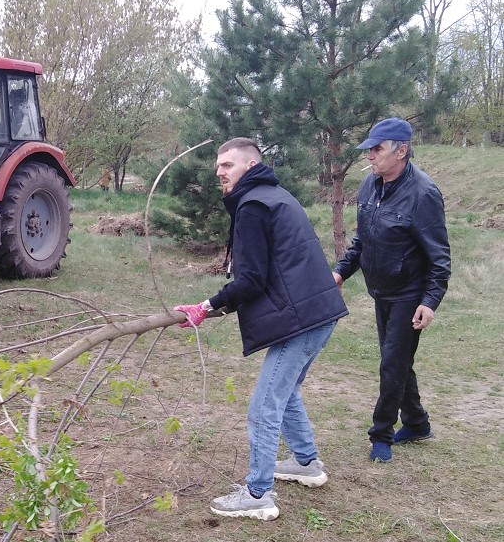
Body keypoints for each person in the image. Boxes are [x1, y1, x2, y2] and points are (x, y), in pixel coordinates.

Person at [175, 137, 348, 521]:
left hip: (301, 320)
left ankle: (257, 494)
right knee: (285, 393)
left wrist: (206, 306)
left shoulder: (253, 206)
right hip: (319, 312)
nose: (220, 171)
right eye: (218, 165)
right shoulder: (276, 195)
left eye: (229, 165)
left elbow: (251, 278)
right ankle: (306, 462)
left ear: (251, 166)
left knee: (264, 406)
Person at [333, 117, 451, 464]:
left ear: (401, 151)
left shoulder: (423, 193)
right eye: (369, 149)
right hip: (380, 290)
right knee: (397, 360)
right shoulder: (371, 187)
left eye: (377, 149)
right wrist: (340, 273)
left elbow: (439, 256)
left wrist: (429, 302)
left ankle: (381, 434)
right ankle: (416, 423)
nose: (370, 156)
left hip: (408, 292)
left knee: (392, 364)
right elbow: (362, 241)